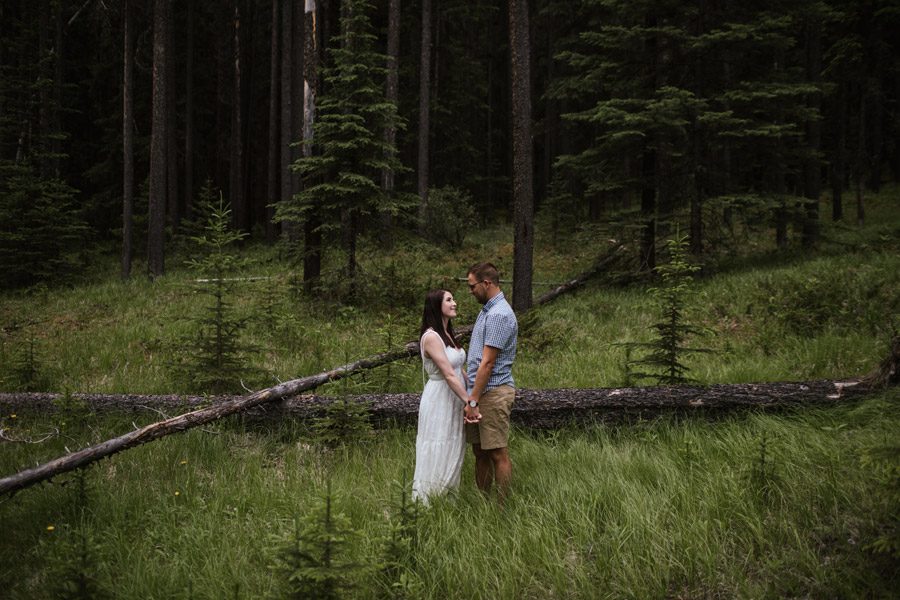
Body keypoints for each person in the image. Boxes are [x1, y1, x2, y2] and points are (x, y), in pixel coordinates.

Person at [464, 262, 518, 502]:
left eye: (472, 286)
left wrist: (473, 400)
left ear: (486, 283)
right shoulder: (487, 310)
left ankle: (501, 508)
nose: (470, 291)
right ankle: (484, 502)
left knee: (497, 452)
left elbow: (488, 363)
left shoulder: (498, 315)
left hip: (492, 392)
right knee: (479, 451)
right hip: (478, 392)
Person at [412, 289, 469, 504]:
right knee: (438, 442)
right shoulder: (431, 337)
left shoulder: (448, 334)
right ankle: (429, 499)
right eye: (449, 300)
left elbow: (457, 368)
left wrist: (472, 390)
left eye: (453, 298)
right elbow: (447, 373)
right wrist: (469, 401)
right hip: (440, 398)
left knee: (453, 443)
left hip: (454, 396)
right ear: (437, 305)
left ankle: (448, 498)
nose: (454, 303)